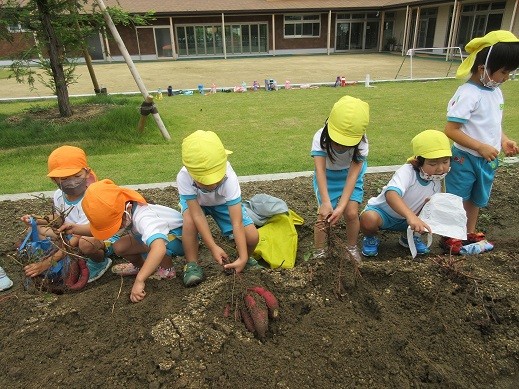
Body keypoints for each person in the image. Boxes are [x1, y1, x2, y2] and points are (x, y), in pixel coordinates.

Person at [441, 30, 519, 254]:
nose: (506, 78)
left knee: (476, 198)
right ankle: (451, 235)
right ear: (483, 69)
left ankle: (468, 232)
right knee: (458, 198)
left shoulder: (495, 92)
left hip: (487, 159)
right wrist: (479, 146)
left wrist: (503, 140)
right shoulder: (467, 94)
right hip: (465, 158)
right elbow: (451, 130)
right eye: (504, 72)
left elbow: (493, 123)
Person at [177, 130, 259, 286]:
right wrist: (213, 247)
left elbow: (237, 222)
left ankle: (244, 260)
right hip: (197, 205)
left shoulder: (230, 178)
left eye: (216, 178)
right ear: (190, 172)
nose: (213, 185)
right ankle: (192, 264)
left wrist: (242, 256)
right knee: (189, 221)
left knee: (252, 236)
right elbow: (197, 216)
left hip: (222, 204)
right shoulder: (183, 176)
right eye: (205, 181)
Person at [82, 179, 184, 303]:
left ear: (127, 208)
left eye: (117, 225)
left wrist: (139, 280)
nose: (117, 229)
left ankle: (167, 270)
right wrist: (72, 228)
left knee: (155, 245)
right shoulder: (127, 212)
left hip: (178, 239)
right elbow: (96, 229)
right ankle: (143, 267)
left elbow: (159, 247)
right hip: (161, 238)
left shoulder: (144, 217)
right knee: (119, 246)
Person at [20, 145, 111, 283]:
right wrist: (36, 219)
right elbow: (59, 218)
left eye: (77, 176)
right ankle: (58, 255)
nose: (72, 182)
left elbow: (75, 240)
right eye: (64, 178)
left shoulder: (92, 197)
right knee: (36, 230)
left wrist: (46, 264)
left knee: (85, 243)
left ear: (87, 172)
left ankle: (100, 262)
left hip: (97, 237)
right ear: (54, 180)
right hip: (70, 233)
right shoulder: (59, 195)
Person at [360, 130, 452, 257]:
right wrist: (410, 216)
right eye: (433, 163)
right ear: (418, 162)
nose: (440, 168)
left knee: (432, 213)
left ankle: (409, 238)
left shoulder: (438, 179)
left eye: (445, 162)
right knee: (368, 219)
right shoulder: (407, 172)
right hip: (384, 215)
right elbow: (391, 194)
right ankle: (370, 238)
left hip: (409, 221)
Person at [311, 95, 370, 264]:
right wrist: (326, 202)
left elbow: (353, 175)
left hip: (349, 176)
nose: (341, 147)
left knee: (351, 213)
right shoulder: (319, 138)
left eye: (347, 143)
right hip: (327, 177)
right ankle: (319, 251)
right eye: (337, 142)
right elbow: (320, 171)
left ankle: (351, 247)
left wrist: (342, 206)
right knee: (323, 215)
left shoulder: (363, 144)